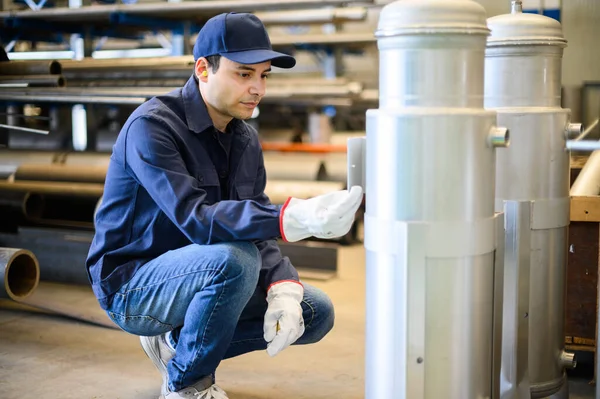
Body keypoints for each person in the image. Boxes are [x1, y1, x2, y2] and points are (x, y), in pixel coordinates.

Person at [86, 12, 363, 399]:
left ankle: (177, 344)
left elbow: (252, 223)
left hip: (201, 274)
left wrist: (283, 285)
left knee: (314, 311)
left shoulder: (245, 140)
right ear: (203, 68)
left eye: (264, 75)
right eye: (244, 74)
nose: (258, 88)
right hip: (134, 286)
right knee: (234, 259)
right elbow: (197, 221)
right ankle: (186, 385)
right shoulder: (152, 127)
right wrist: (290, 216)